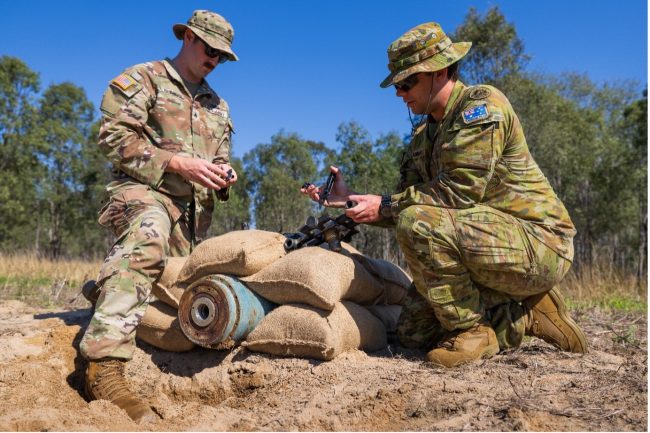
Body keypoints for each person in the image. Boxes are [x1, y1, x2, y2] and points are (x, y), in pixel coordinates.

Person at [302, 22, 587, 368]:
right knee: (412, 334)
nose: (399, 93)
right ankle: (521, 315)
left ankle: (472, 330)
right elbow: (407, 203)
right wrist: (353, 201)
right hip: (482, 244)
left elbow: (456, 193)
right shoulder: (423, 135)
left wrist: (388, 205)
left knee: (417, 221)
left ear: (439, 71)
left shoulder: (480, 107)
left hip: (539, 243)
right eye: (397, 84)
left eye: (408, 82)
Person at [79, 10, 239, 422]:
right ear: (187, 37)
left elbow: (220, 158)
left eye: (222, 56)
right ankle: (103, 367)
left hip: (190, 218)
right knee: (149, 236)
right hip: (141, 194)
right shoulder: (144, 79)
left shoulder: (218, 106)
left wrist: (224, 175)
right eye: (210, 49)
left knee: (182, 291)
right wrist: (175, 163)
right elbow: (113, 137)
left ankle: (107, 292)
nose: (214, 60)